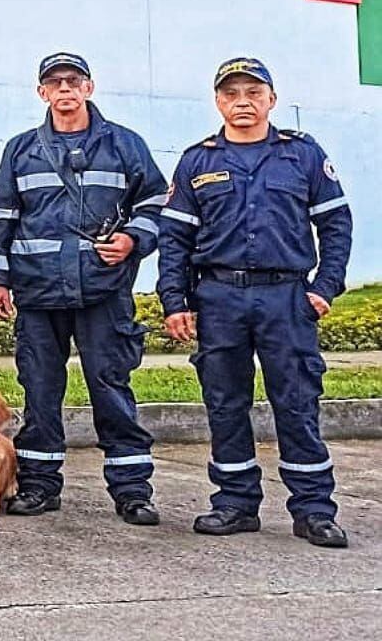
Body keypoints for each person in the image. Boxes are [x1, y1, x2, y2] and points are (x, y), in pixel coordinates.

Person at [158, 57, 352, 548]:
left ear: (271, 99)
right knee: (224, 402)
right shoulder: (197, 161)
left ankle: (313, 511)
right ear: (218, 101)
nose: (242, 102)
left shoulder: (302, 155)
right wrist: (174, 301)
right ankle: (234, 503)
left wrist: (324, 287)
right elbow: (175, 239)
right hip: (219, 296)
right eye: (231, 94)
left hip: (285, 296)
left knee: (297, 403)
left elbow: (336, 224)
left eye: (252, 92)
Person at [0, 53, 167, 525]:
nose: (65, 89)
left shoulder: (125, 145)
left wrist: (131, 240)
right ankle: (40, 485)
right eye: (54, 82)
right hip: (38, 294)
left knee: (110, 387)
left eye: (74, 81)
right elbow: (1, 216)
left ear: (89, 87)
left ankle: (131, 491)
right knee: (40, 390)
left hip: (103, 291)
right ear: (42, 92)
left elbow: (158, 203)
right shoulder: (21, 150)